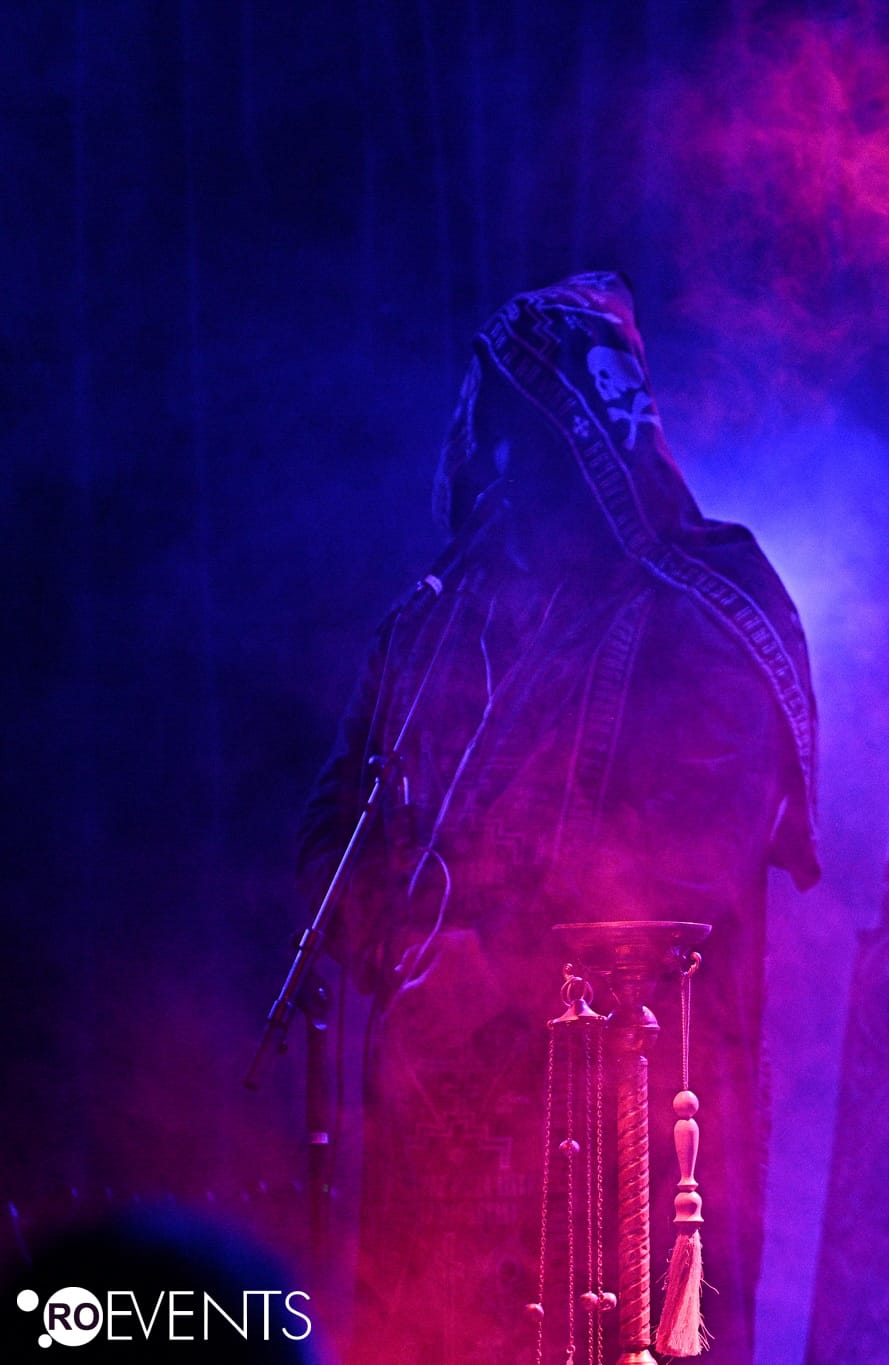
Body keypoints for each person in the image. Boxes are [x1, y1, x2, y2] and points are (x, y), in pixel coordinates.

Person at [297, 272, 818, 1364]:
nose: (494, 467)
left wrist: (489, 974)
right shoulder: (431, 623)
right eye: (488, 436)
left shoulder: (702, 610)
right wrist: (402, 955)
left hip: (622, 1119)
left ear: (580, 439)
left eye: (519, 436)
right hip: (435, 1124)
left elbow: (689, 865)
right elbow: (332, 829)